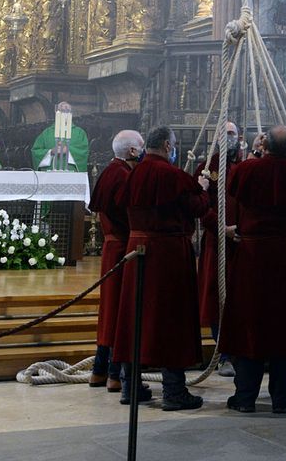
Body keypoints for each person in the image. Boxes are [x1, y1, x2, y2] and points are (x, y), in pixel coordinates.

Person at [218, 125, 286, 414]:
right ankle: (281, 399)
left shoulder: (246, 170)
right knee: (285, 328)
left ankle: (246, 397)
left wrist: (258, 154)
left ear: (265, 145)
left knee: (249, 324)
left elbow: (233, 189)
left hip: (253, 256)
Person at [113, 125, 210, 411]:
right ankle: (174, 391)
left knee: (136, 317)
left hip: (137, 248)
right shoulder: (172, 174)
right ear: (168, 146)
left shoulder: (133, 173)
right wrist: (203, 189)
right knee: (172, 319)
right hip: (167, 254)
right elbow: (197, 207)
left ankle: (130, 387)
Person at [87, 129, 145, 393]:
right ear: (133, 151)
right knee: (120, 311)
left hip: (113, 246)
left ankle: (99, 370)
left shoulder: (110, 171)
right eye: (141, 146)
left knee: (110, 311)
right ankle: (114, 374)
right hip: (123, 247)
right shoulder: (123, 175)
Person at [194, 121, 241, 376]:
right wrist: (221, 229)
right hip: (217, 242)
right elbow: (200, 205)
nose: (229, 137)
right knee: (215, 298)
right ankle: (223, 354)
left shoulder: (246, 166)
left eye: (232, 133)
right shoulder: (205, 169)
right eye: (224, 133)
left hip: (243, 243)